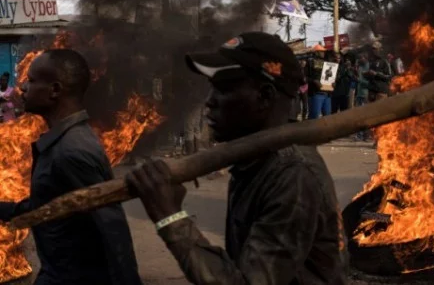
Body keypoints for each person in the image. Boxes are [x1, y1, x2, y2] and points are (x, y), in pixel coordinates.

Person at [126, 32, 348, 284]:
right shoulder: (255, 159)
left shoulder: (292, 173)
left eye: (223, 88)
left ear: (264, 96)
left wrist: (171, 217)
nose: (210, 102)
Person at [0, 49, 142, 285]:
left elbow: (113, 232)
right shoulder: (62, 143)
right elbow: (45, 205)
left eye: (32, 81)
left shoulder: (72, 151)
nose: (23, 88)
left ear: (55, 90)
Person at [306, 51, 335, 119]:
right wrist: (314, 81)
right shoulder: (311, 63)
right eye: (321, 52)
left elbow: (332, 78)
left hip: (327, 94)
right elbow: (305, 77)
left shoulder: (331, 65)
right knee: (314, 117)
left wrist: (334, 83)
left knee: (328, 117)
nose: (322, 53)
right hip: (316, 93)